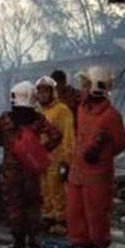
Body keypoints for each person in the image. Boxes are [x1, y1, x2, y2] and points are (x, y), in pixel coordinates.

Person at [66, 66, 125, 248]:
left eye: (85, 86)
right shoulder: (82, 110)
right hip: (77, 174)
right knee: (75, 213)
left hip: (97, 178)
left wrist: (101, 156)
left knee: (97, 216)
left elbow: (121, 143)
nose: (82, 90)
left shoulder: (111, 116)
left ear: (95, 87)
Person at [0, 81, 62, 248]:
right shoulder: (38, 119)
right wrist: (41, 150)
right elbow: (56, 135)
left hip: (11, 172)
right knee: (33, 204)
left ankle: (18, 242)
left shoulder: (5, 119)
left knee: (14, 205)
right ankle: (33, 240)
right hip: (31, 170)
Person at [35, 76, 74, 233]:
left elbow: (68, 135)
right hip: (41, 157)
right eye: (40, 91)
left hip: (57, 158)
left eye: (46, 91)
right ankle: (48, 216)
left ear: (53, 92)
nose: (42, 95)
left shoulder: (62, 110)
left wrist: (66, 159)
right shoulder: (38, 111)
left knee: (57, 189)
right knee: (44, 188)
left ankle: (62, 219)